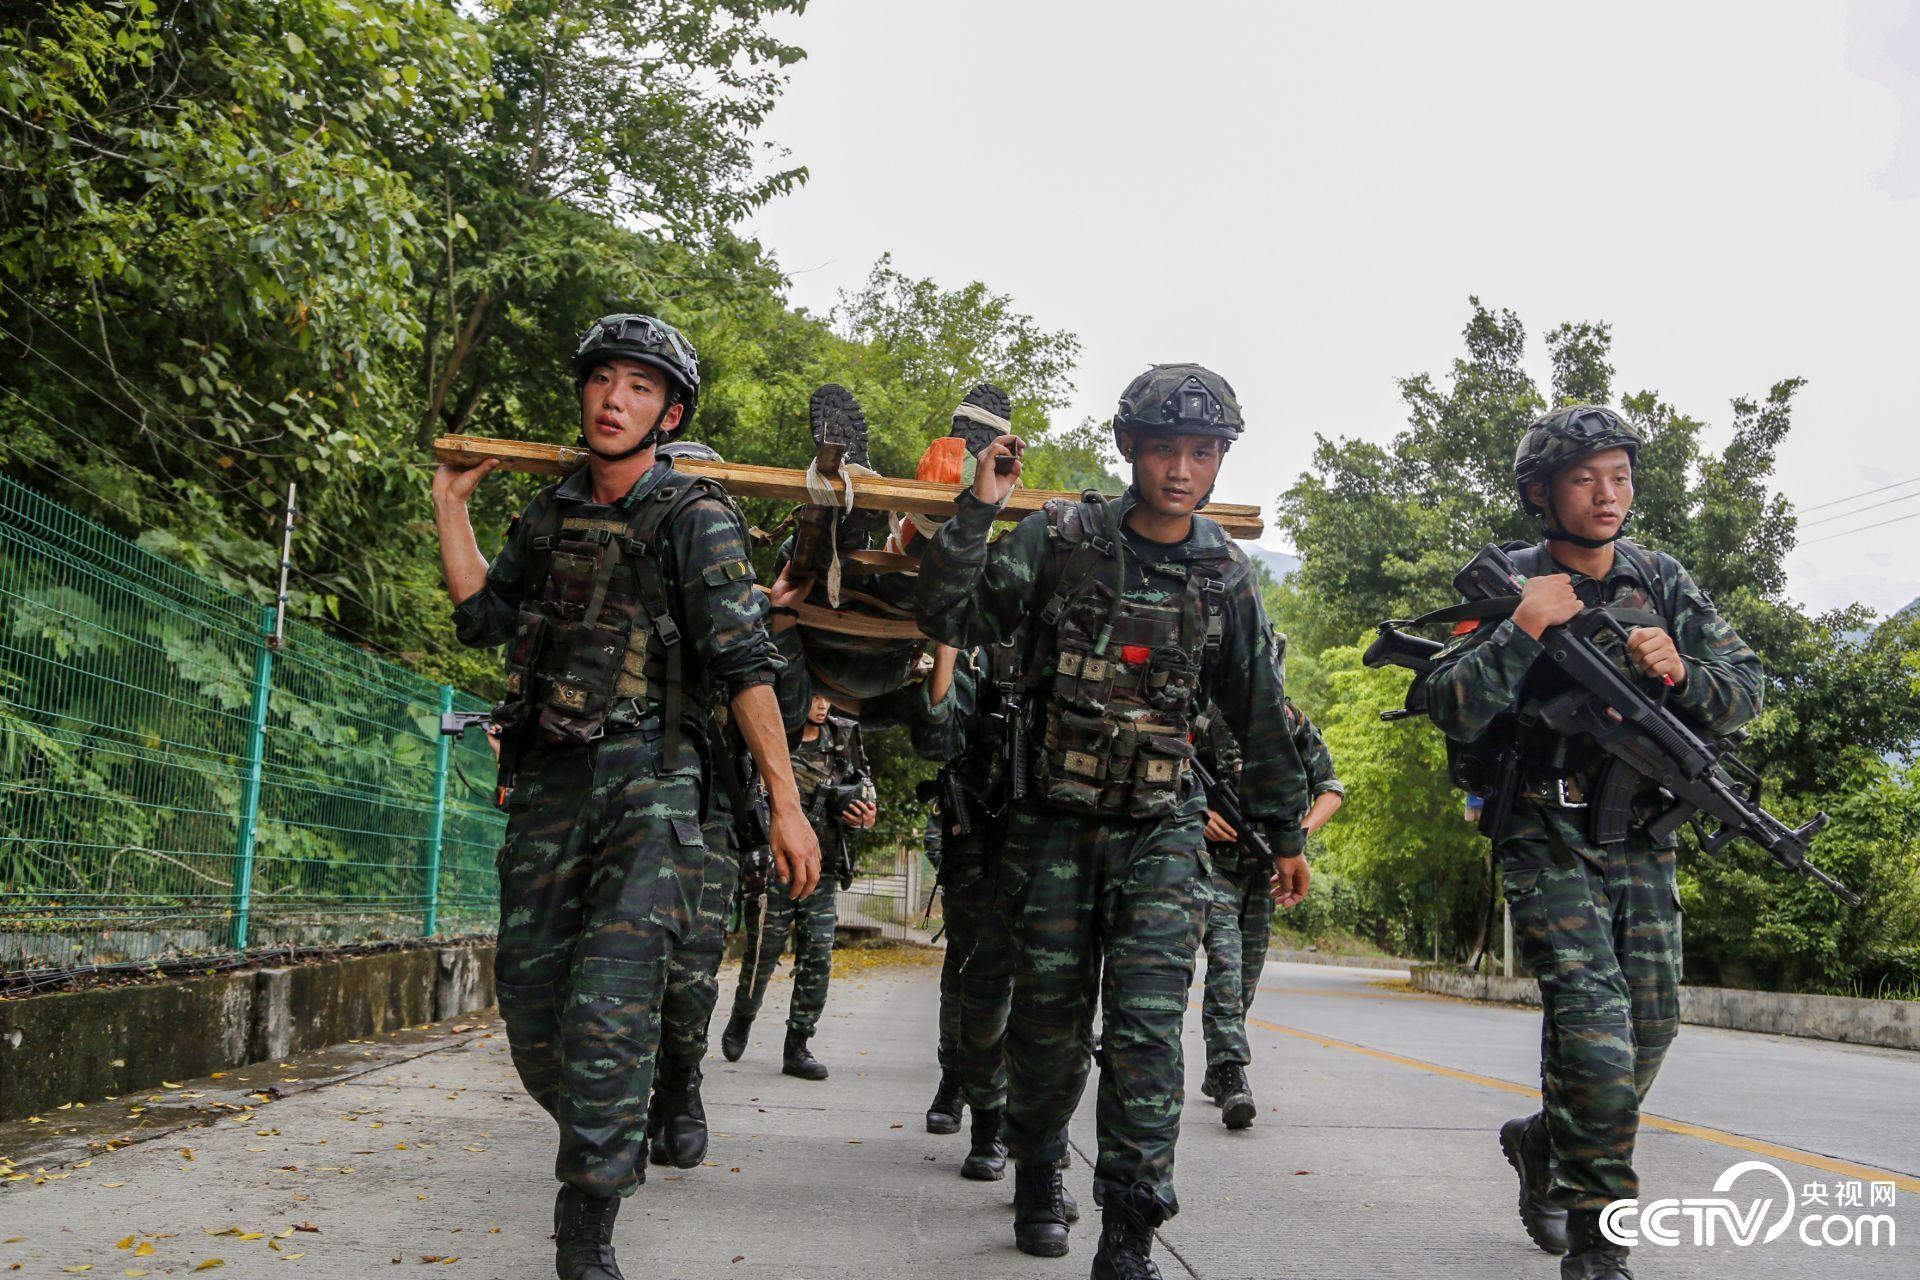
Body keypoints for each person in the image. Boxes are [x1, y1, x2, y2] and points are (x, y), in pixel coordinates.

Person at [431, 313, 821, 1280]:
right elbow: (483, 618)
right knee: (531, 1009)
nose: (615, 399)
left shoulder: (694, 517)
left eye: (640, 387)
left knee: (610, 1006)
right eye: (603, 379)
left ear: (669, 410)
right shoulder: (552, 513)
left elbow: (744, 665)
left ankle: (587, 1225)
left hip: (656, 783)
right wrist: (450, 506)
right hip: (552, 782)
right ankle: (620, 1117)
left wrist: (785, 802)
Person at [914, 364, 1312, 1279]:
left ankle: (1130, 1230)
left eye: (1202, 452)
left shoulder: (1225, 573)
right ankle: (1040, 1167)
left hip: (1162, 831)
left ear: (1220, 462)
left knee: (1144, 1034)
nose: (1182, 468)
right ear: (1129, 446)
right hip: (1052, 826)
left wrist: (1284, 832)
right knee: (1048, 1029)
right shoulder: (1059, 539)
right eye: (1165, 447)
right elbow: (946, 612)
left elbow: (1259, 711)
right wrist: (980, 509)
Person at [1424, 405, 1763, 1280]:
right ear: (1540, 494)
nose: (1608, 493)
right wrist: (1525, 625)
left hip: (1642, 831)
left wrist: (1683, 670)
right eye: (1585, 477)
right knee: (1593, 1026)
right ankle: (1597, 1237)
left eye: (1619, 475)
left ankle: (1545, 1142)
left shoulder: (1660, 578)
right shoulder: (1509, 581)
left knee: (1650, 1023)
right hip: (1542, 827)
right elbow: (1451, 703)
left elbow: (1748, 688)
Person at [645, 438, 812, 1171]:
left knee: (687, 974)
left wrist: (772, 623)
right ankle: (616, 1100)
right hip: (611, 792)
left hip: (705, 807)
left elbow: (793, 710)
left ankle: (680, 1078)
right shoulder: (613, 574)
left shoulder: (740, 608)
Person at [1194, 691, 1342, 1129]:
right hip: (1212, 864)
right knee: (1225, 958)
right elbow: (1169, 774)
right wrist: (1198, 811)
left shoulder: (1290, 720)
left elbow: (1330, 789)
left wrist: (1295, 838)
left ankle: (1216, 1070)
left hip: (1264, 868)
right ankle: (1231, 1071)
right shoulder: (1203, 714)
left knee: (1246, 976)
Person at [720, 694, 877, 1079]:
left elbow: (866, 791)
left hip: (819, 867)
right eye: (814, 695)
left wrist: (866, 815)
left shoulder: (842, 739)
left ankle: (798, 1045)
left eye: (828, 697)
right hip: (772, 869)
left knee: (818, 957)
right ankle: (743, 1015)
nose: (822, 705)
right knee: (762, 953)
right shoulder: (771, 734)